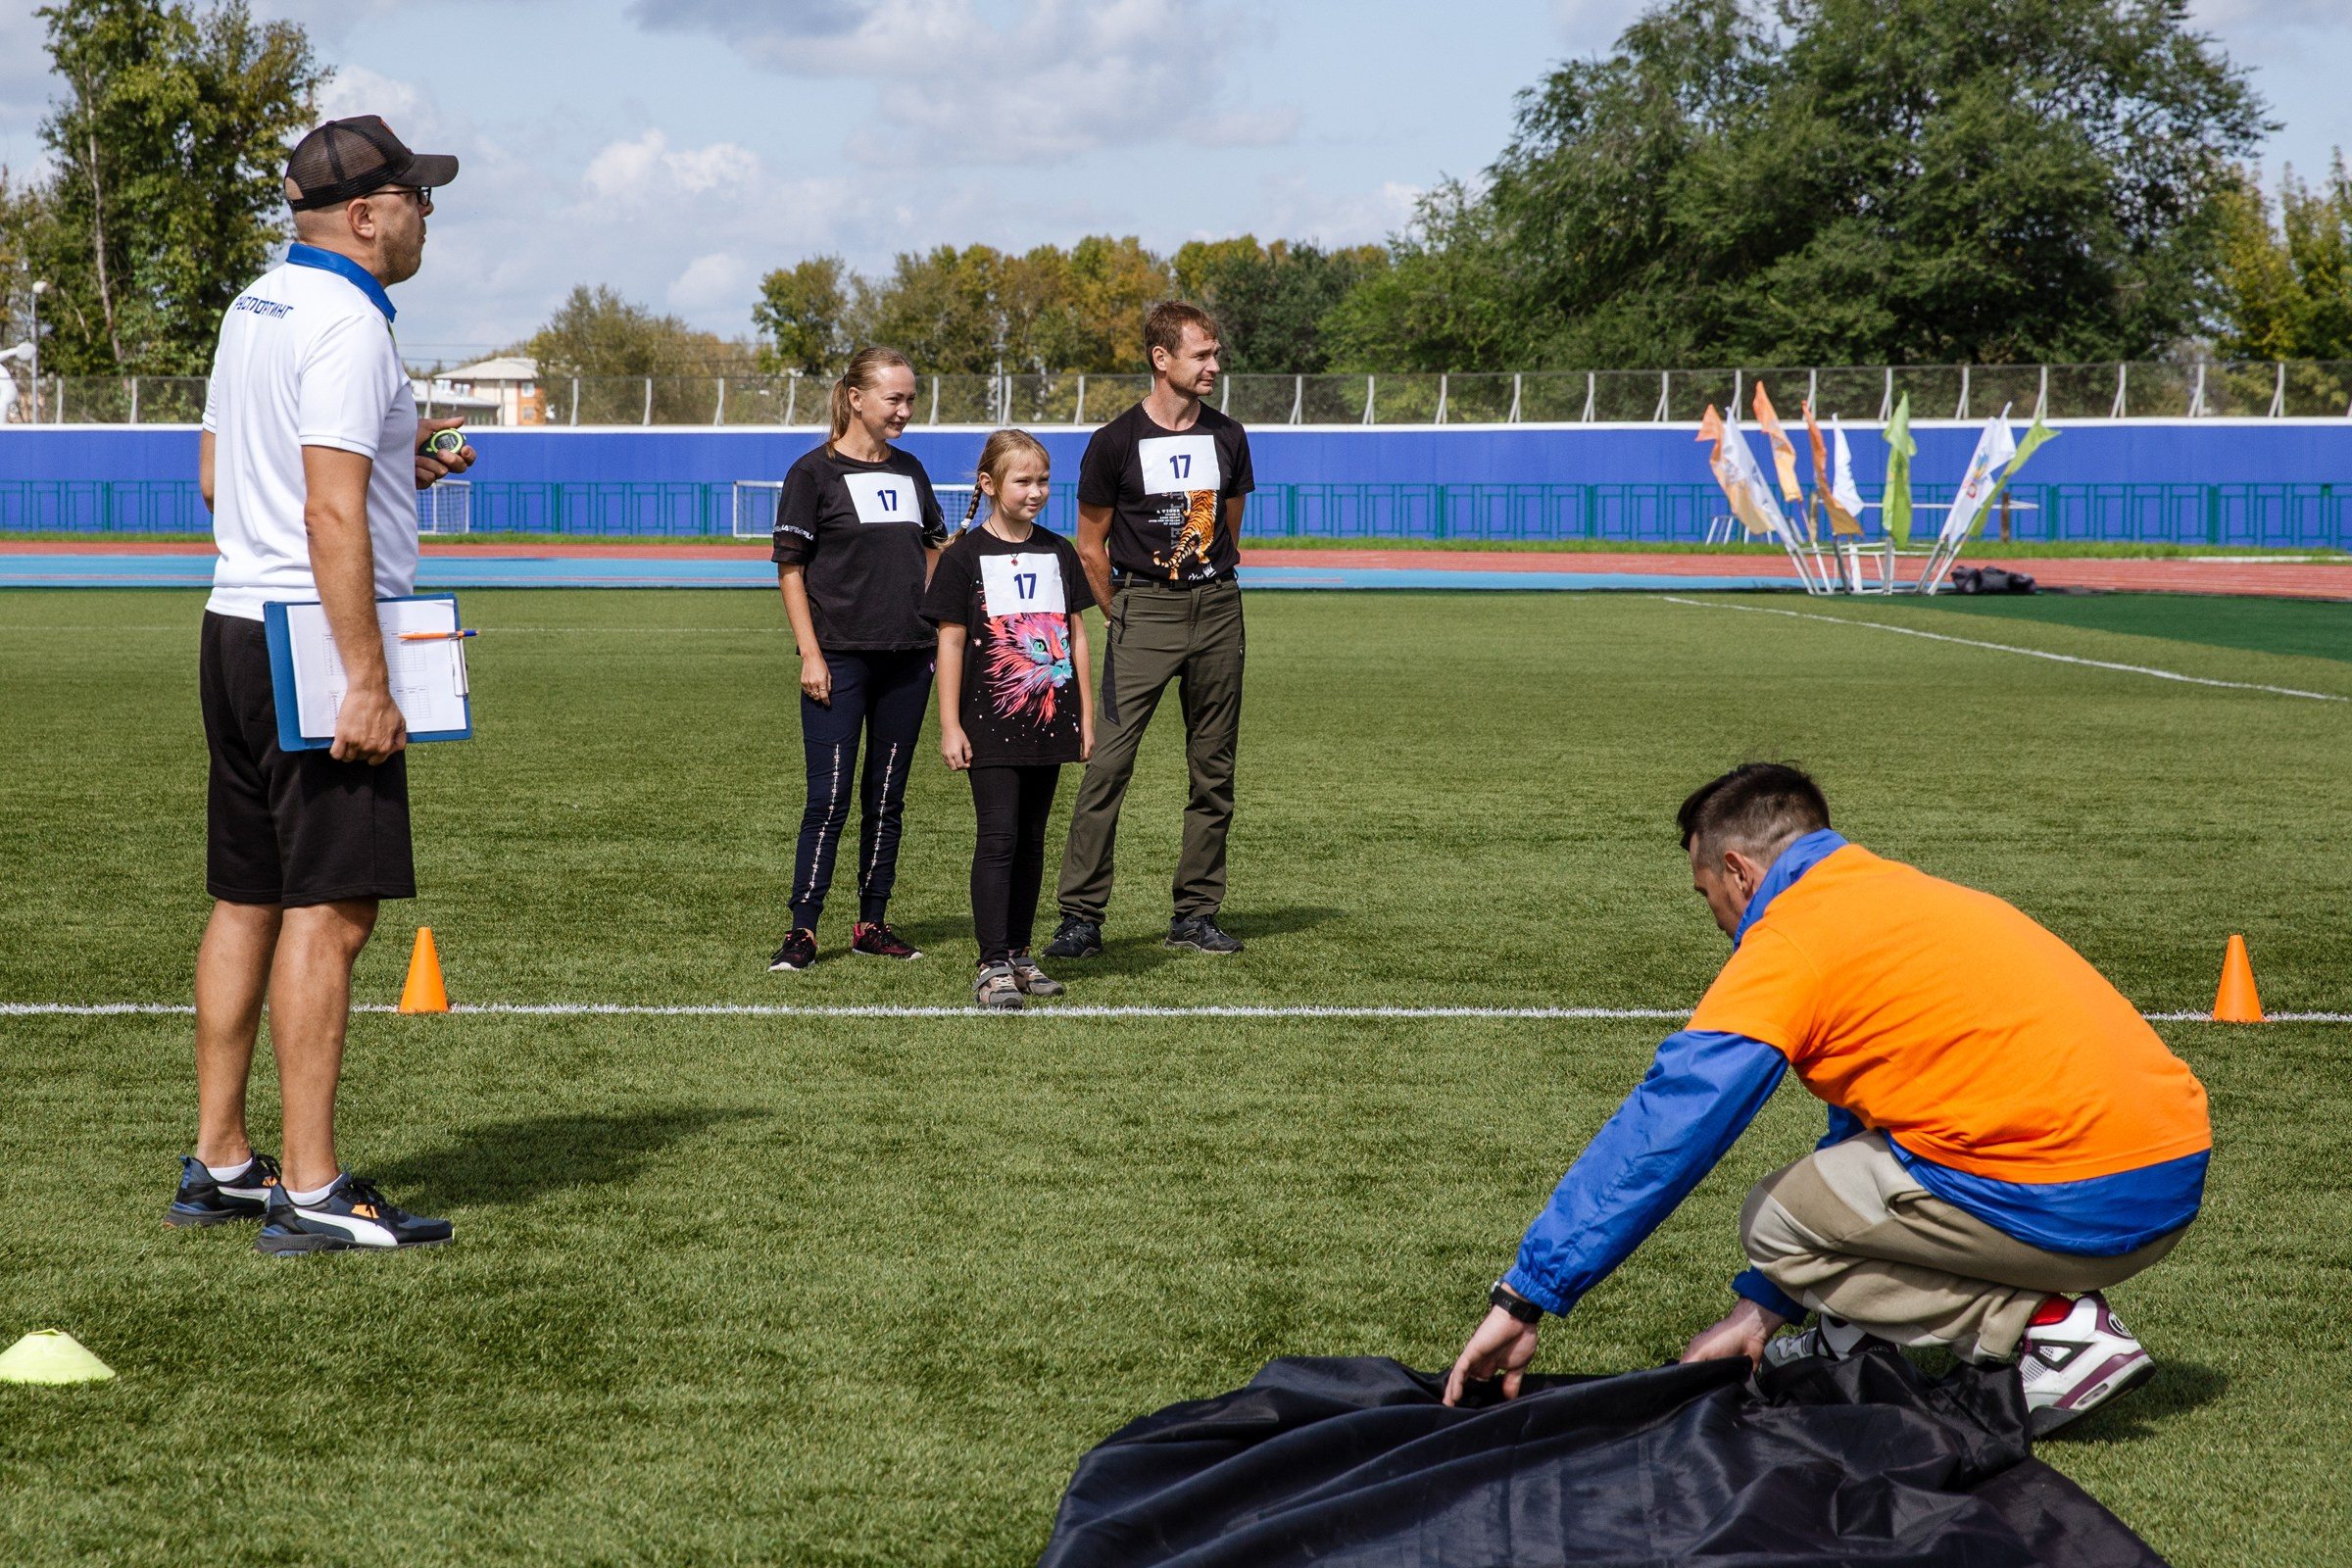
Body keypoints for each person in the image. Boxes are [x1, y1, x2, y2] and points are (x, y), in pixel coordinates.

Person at [1445, 763, 2210, 1436]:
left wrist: (1527, 1296)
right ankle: (1854, 1330)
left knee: (1774, 1219)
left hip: (2077, 1204)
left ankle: (2053, 1330)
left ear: (1740, 872)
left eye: (1708, 896)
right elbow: (1868, 1127)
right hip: (2171, 1171)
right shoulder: (1896, 892)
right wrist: (1760, 1311)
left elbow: (1671, 1122)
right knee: (1845, 1179)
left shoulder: (1790, 935)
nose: (1717, 920)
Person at [171, 115, 473, 1253]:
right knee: (335, 910)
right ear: (364, 214)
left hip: (234, 623)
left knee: (247, 894)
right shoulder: (351, 322)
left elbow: (219, 478)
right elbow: (330, 513)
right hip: (312, 640)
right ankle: (309, 1187)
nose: (426, 214)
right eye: (415, 196)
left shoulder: (254, 305)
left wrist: (401, 463)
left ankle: (221, 1161)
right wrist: (366, 679)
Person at [1042, 302, 1253, 961]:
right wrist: (1121, 611)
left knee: (1213, 770)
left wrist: (1206, 586)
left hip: (1218, 609)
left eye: (1215, 354)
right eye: (1201, 355)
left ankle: (1196, 914)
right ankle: (1080, 916)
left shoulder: (1229, 436)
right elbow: (1090, 546)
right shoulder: (1114, 441)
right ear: (1162, 359)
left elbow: (1229, 527)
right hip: (1143, 612)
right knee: (1107, 766)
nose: (1214, 366)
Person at [767, 346, 949, 972]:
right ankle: (803, 930)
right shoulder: (811, 474)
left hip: (910, 659)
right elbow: (791, 571)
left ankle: (872, 923)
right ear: (856, 398)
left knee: (887, 798)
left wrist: (931, 611)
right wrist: (810, 654)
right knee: (829, 799)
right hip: (838, 662)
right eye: (894, 399)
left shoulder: (911, 470)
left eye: (910, 399)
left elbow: (934, 546)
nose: (905, 411)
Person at [920, 430, 1096, 1009]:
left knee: (1032, 841)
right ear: (989, 484)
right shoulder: (963, 557)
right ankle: (991, 962)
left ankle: (1020, 953)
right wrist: (950, 724)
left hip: (1049, 718)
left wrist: (1086, 715)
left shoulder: (1059, 551)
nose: (1036, 491)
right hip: (989, 723)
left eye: (1043, 480)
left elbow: (1076, 636)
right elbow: (950, 643)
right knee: (999, 837)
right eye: (1023, 481)